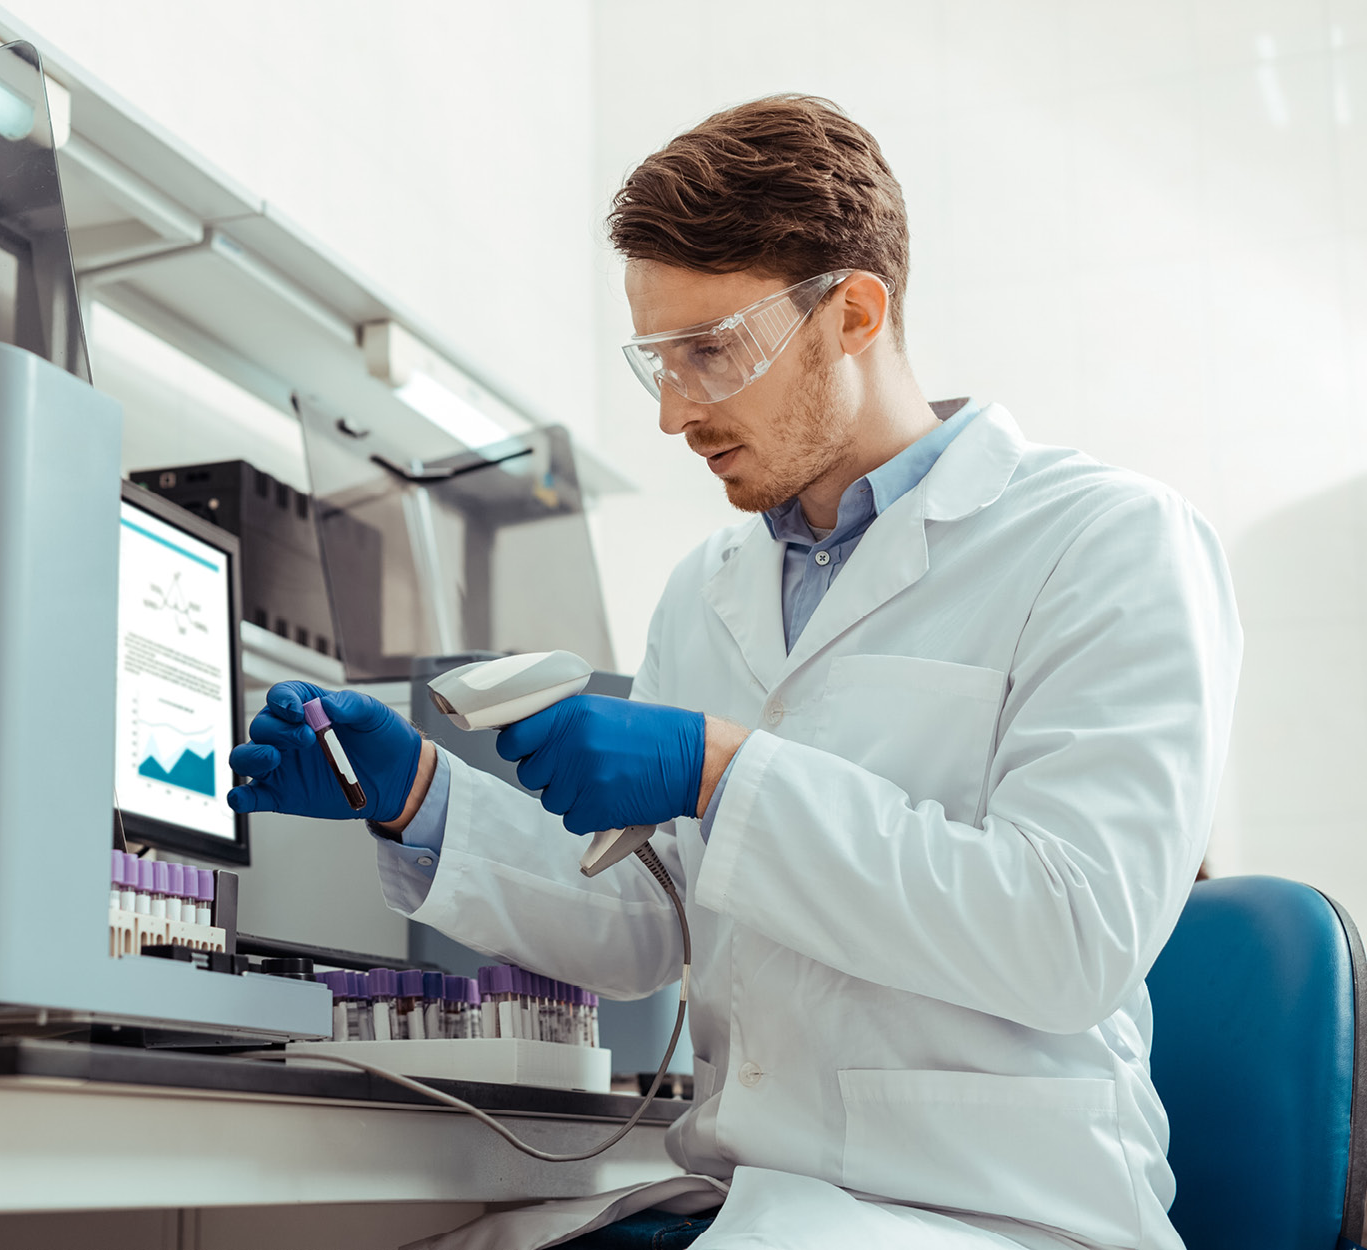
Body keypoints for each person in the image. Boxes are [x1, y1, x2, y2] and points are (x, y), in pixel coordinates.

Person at [229, 95, 1241, 1250]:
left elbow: (1071, 936)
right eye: (657, 358)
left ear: (853, 313)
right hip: (753, 1188)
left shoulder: (1106, 541)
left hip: (998, 1204)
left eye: (711, 351)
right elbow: (642, 920)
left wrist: (720, 768)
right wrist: (422, 799)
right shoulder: (706, 586)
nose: (674, 411)